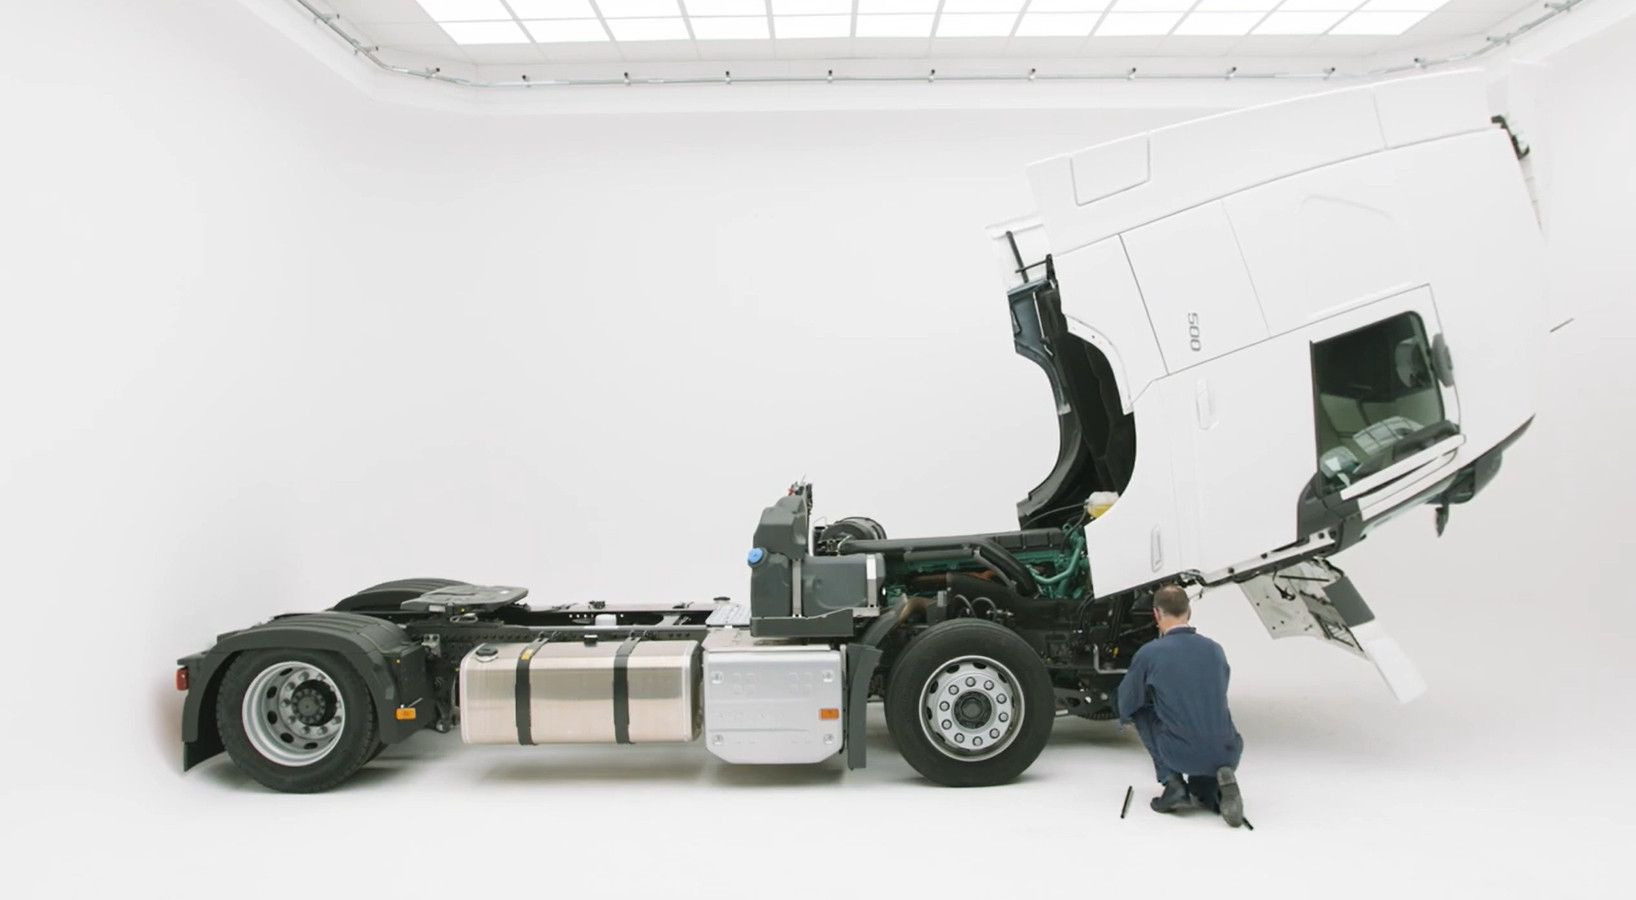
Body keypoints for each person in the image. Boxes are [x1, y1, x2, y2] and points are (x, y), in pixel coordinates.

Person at [1116, 584, 1246, 827]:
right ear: (1189, 611)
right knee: (1204, 707)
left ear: (1156, 614)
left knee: (1141, 711)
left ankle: (1172, 781)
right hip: (1229, 749)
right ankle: (1211, 786)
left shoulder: (1150, 653)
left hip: (1180, 754)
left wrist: (1125, 717)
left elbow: (1128, 697)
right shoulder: (1214, 649)